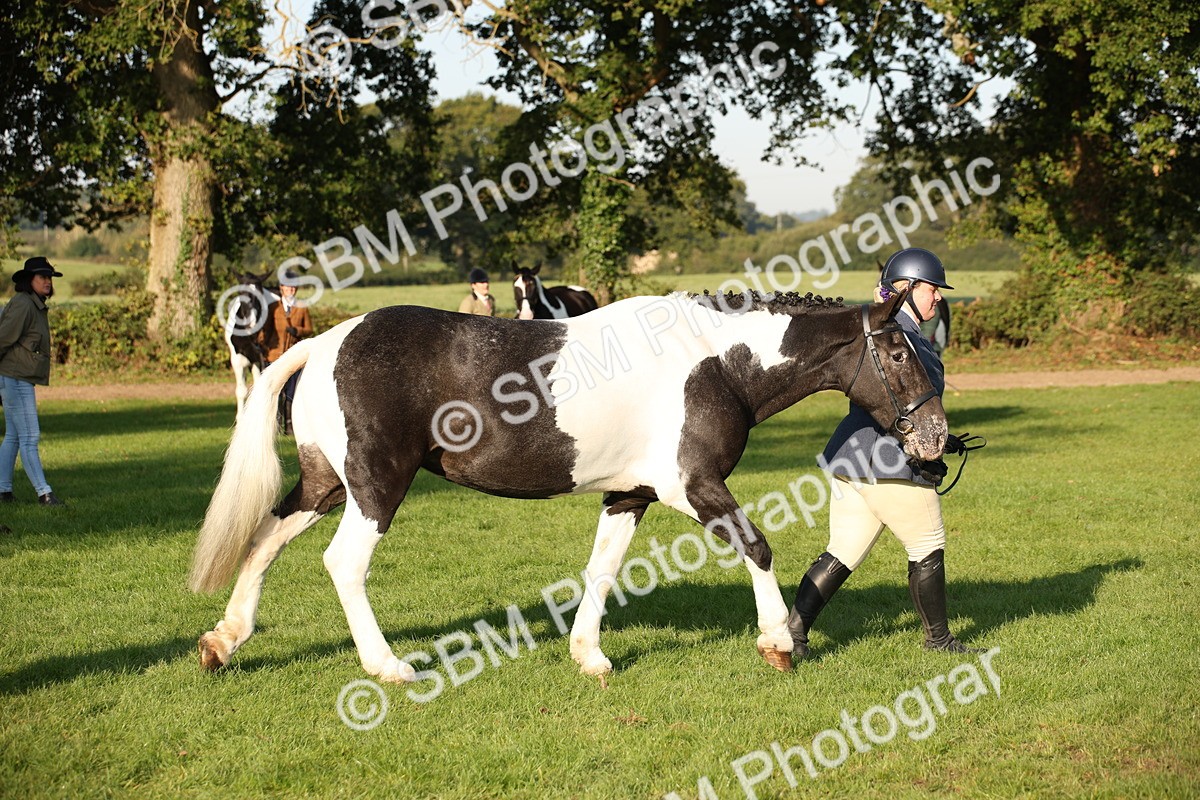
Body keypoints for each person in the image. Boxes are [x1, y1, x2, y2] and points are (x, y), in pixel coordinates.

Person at [788, 247, 978, 657]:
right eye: (932, 289)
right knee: (928, 543)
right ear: (906, 289)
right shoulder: (899, 336)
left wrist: (944, 438)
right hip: (889, 461)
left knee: (843, 550)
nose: (939, 297)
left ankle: (794, 634)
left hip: (850, 457)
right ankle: (939, 641)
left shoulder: (893, 330)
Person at [0, 257, 65, 506]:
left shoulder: (33, 304)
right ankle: (44, 493)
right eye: (42, 277)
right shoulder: (23, 305)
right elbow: (2, 339)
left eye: (49, 277)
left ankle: (3, 491)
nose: (47, 281)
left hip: (17, 377)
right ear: (29, 281)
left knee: (15, 436)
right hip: (15, 378)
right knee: (30, 436)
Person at [257, 269, 313, 434]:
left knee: (291, 391)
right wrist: (261, 344)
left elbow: (309, 328)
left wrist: (297, 330)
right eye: (288, 288)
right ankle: (275, 424)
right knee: (276, 391)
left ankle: (289, 425)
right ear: (281, 288)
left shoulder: (302, 308)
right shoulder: (273, 308)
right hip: (274, 354)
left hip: (294, 355)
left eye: (294, 288)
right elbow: (265, 330)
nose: (291, 290)